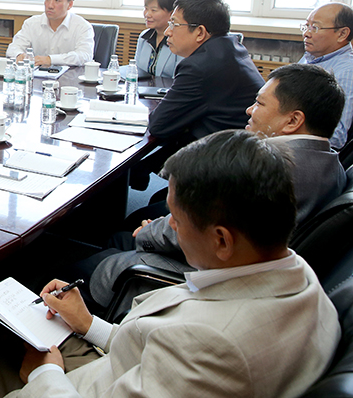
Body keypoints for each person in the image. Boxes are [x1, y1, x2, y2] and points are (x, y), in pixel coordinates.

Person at [0, 130, 341, 398]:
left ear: (221, 240)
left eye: (176, 218)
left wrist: (44, 374)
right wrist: (91, 324)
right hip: (118, 362)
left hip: (78, 384)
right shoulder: (298, 274)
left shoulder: (215, 344)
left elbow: (186, 348)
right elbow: (158, 352)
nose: (169, 225)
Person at [87, 63, 348, 308]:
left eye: (259, 103)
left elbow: (204, 227)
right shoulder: (330, 163)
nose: (249, 110)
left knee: (90, 263)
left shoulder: (270, 166)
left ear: (292, 120)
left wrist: (150, 232)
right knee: (119, 236)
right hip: (256, 270)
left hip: (213, 275)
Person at [147, 0, 263, 144]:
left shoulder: (199, 67)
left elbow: (158, 125)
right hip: (247, 144)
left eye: (174, 24)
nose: (168, 32)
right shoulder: (232, 48)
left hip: (224, 151)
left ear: (200, 32)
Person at [299, 2, 353, 148]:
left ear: (342, 34)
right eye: (306, 26)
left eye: (315, 27)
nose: (306, 33)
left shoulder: (346, 72)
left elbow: (335, 136)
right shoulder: (312, 57)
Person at [5, 0, 94, 67]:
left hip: (70, 76)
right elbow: (13, 48)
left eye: (57, 0)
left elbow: (85, 55)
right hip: (37, 75)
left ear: (70, 4)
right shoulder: (32, 23)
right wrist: (19, 55)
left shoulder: (82, 26)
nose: (50, 5)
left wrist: (50, 60)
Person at [134, 0, 182, 79]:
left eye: (153, 10)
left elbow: (179, 78)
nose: (147, 14)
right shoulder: (144, 37)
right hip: (143, 87)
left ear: (172, 14)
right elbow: (136, 71)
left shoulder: (179, 40)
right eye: (146, 9)